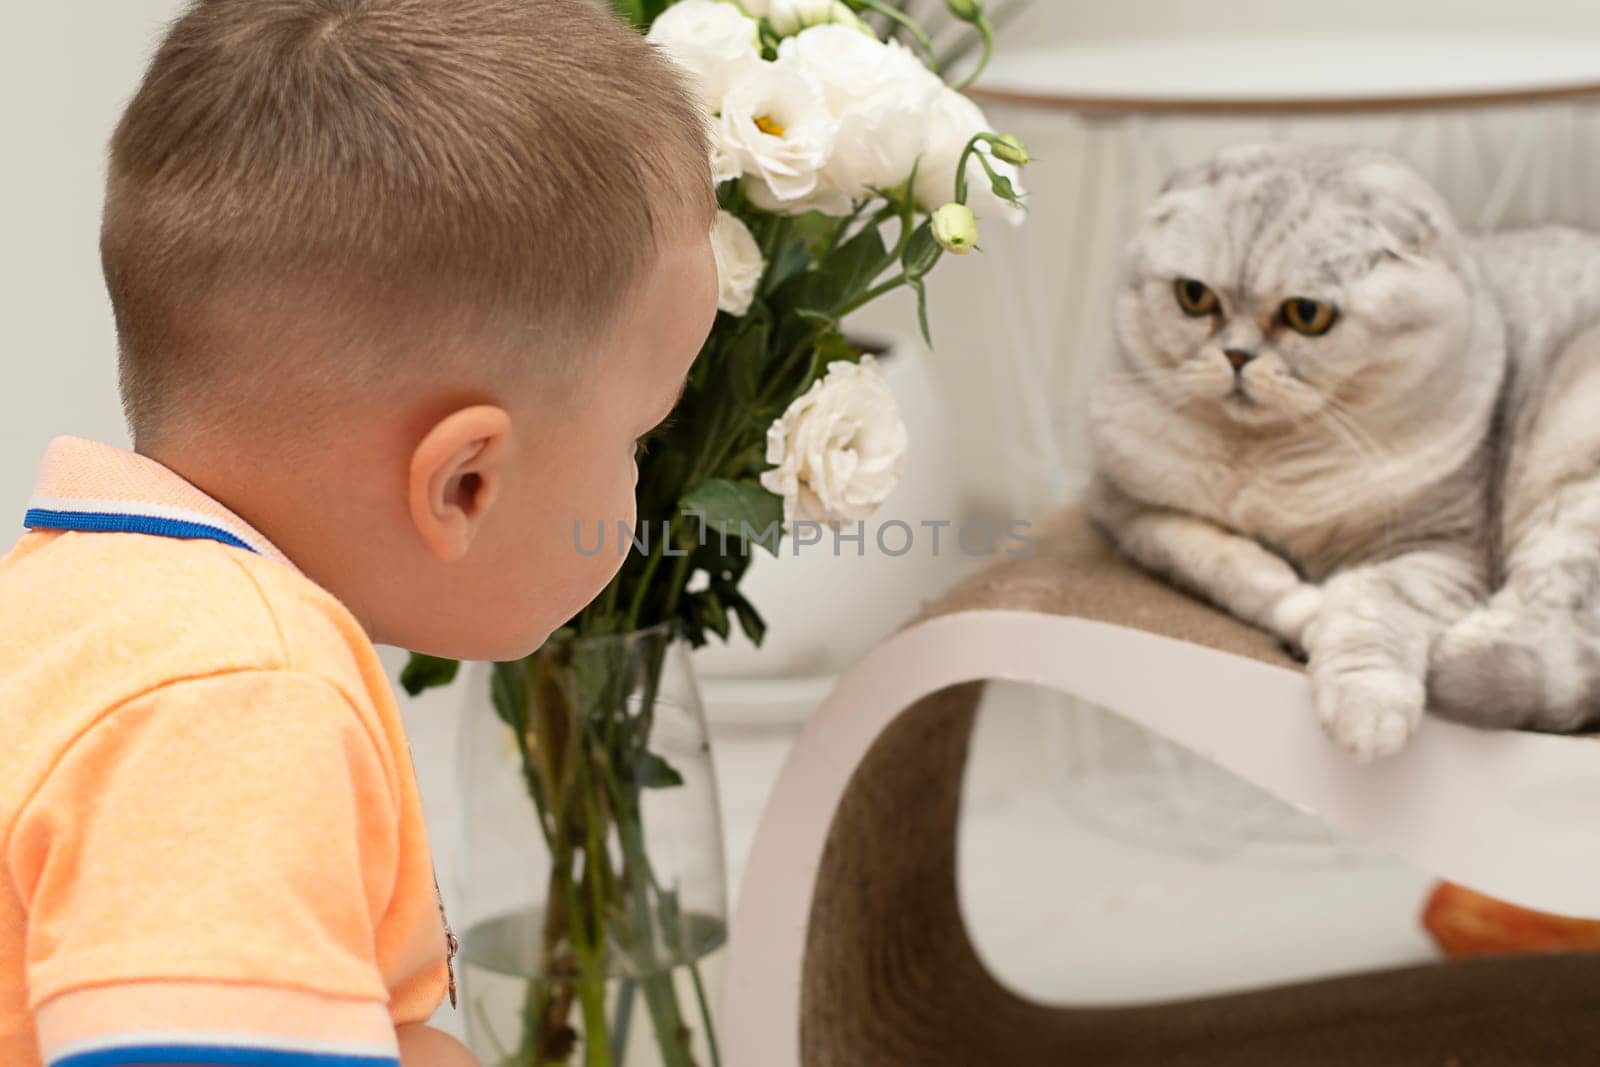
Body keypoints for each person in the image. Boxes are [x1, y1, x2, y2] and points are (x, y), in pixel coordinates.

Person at [0, 1, 717, 1064]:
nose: (641, 483)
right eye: (637, 440)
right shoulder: (238, 701)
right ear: (465, 483)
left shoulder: (85, 609)